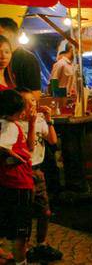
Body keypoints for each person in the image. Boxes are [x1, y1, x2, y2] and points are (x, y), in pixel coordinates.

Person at [16, 88, 61, 262]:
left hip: (37, 171)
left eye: (33, 101)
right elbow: (28, 149)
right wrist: (33, 122)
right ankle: (24, 249)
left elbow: (52, 140)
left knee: (45, 211)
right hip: (22, 171)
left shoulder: (40, 120)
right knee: (25, 213)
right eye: (26, 102)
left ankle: (41, 244)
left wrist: (49, 120)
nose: (31, 105)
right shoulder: (15, 124)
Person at [0, 90, 34, 265]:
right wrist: (15, 155)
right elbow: (4, 146)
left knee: (7, 227)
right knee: (20, 233)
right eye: (20, 110)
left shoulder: (3, 123)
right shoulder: (11, 126)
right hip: (19, 185)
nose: (23, 113)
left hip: (6, 184)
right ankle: (21, 262)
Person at [0, 18, 41, 99]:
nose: (3, 56)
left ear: (11, 34)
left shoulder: (27, 59)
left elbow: (35, 93)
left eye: (1, 33)